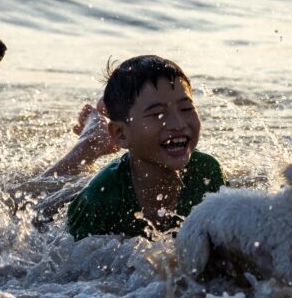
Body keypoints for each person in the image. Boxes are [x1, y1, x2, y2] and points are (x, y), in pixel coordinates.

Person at [44, 55, 225, 240]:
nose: (178, 124)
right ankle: (92, 140)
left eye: (186, 108)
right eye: (157, 113)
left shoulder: (207, 173)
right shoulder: (98, 200)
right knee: (45, 192)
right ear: (121, 134)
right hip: (86, 194)